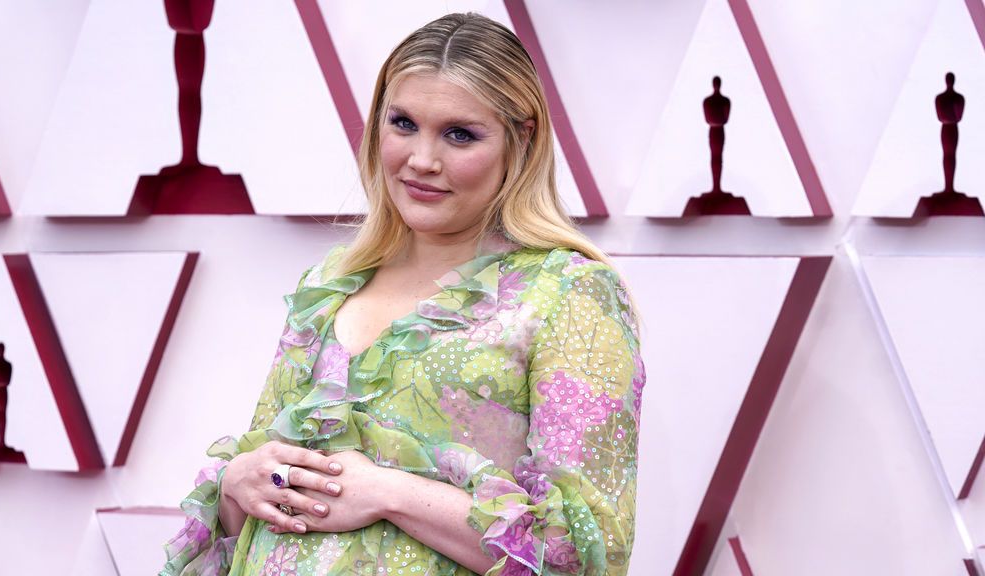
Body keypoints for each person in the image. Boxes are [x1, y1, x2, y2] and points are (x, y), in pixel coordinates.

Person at [161, 12, 645, 576]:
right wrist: (239, 485)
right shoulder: (329, 285)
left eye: (459, 134)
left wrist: (393, 494)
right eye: (403, 123)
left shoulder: (569, 293)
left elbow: (583, 552)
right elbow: (265, 502)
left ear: (522, 137)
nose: (422, 160)